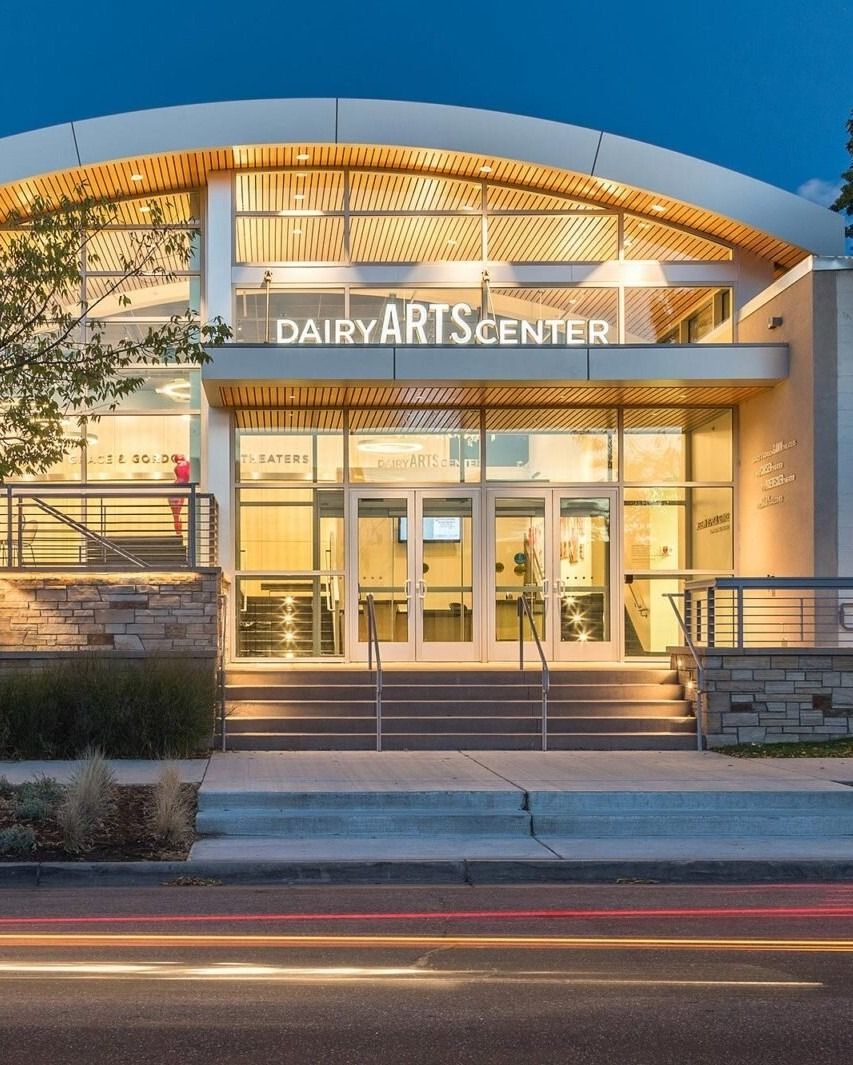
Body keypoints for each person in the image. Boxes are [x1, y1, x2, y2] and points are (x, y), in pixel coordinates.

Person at [169, 453, 191, 535]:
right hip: (178, 490)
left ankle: (178, 534)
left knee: (176, 516)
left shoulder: (181, 465)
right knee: (176, 515)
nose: (183, 455)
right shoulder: (184, 464)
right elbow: (187, 476)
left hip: (176, 490)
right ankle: (179, 534)